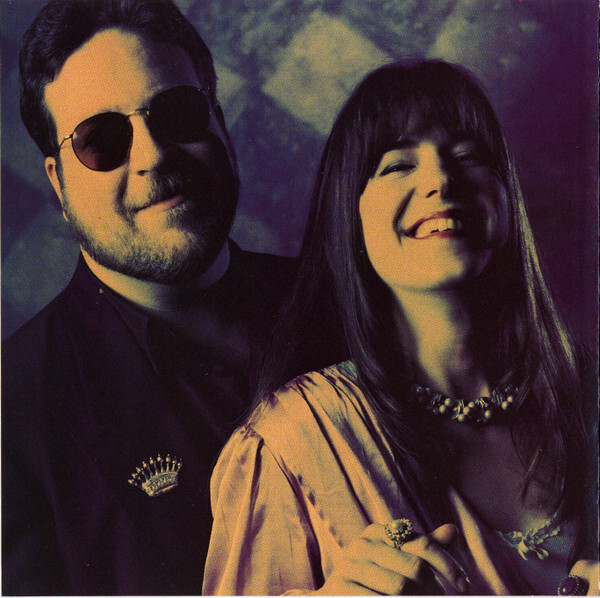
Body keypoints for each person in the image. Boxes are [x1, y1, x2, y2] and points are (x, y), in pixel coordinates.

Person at [203, 59, 599, 595]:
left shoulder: (586, 391)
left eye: (468, 156)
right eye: (397, 166)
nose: (440, 180)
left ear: (507, 199)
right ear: (351, 216)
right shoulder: (290, 442)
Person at [1, 0, 345, 594]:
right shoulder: (11, 413)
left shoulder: (349, 304)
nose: (154, 155)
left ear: (220, 124)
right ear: (57, 183)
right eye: (101, 139)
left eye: (178, 111)